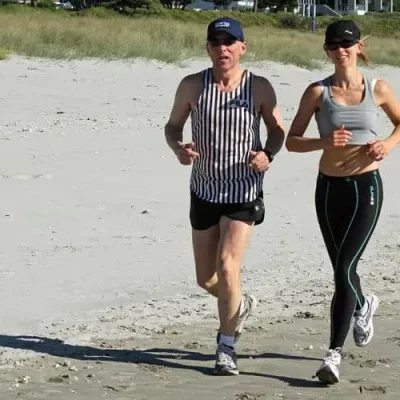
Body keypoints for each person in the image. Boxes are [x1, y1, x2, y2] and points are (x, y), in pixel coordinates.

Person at [164, 17, 285, 375]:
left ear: (242, 47)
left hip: (243, 191)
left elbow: (277, 129)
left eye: (230, 42)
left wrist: (267, 154)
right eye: (215, 43)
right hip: (203, 189)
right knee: (207, 279)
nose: (223, 49)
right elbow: (173, 126)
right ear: (208, 49)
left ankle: (226, 346)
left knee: (228, 266)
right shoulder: (192, 85)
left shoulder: (259, 87)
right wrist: (178, 148)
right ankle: (239, 304)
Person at [286, 19, 400, 384]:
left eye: (347, 44)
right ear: (326, 50)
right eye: (334, 45)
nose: (341, 50)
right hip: (328, 189)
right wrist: (325, 142)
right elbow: (292, 140)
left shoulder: (377, 88)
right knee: (342, 267)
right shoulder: (317, 93)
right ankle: (364, 304)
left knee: (343, 269)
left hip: (366, 187)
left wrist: (386, 145)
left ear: (359, 47)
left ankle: (332, 354)